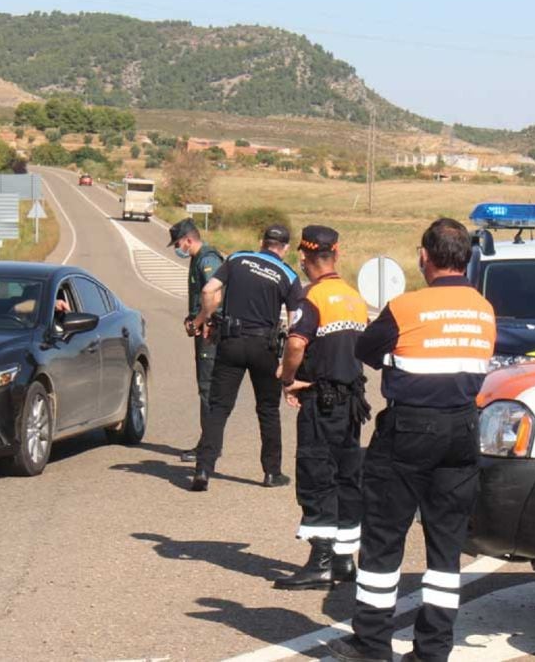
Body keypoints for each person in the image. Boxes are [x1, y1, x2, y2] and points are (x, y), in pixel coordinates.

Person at [327, 218, 496, 662]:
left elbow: (366, 350)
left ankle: (371, 645)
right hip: (462, 430)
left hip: (408, 432)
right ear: (465, 259)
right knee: (446, 548)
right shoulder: (483, 309)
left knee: (383, 540)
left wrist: (397, 356)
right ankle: (432, 650)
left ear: (425, 257)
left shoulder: (407, 307)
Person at [273, 225, 371, 590]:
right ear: (337, 253)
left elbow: (296, 345)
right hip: (351, 402)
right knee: (347, 478)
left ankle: (321, 562)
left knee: (317, 477)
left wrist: (287, 378)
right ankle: (345, 559)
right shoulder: (352, 296)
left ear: (303, 256)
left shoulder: (310, 298)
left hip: (322, 401)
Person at [189, 224, 302, 492]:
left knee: (219, 407)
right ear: (285, 248)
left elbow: (208, 291)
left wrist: (202, 319)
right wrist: (289, 364)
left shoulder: (237, 259)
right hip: (264, 346)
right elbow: (295, 321)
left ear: (261, 241)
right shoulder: (288, 274)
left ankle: (204, 468)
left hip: (231, 342)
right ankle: (272, 472)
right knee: (268, 410)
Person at [167, 218, 225, 463]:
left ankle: (209, 447)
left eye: (179, 243)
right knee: (206, 390)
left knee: (208, 390)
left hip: (211, 334)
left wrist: (200, 320)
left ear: (189, 239)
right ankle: (208, 443)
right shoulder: (198, 258)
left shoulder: (207, 258)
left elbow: (214, 295)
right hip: (205, 330)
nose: (177, 248)